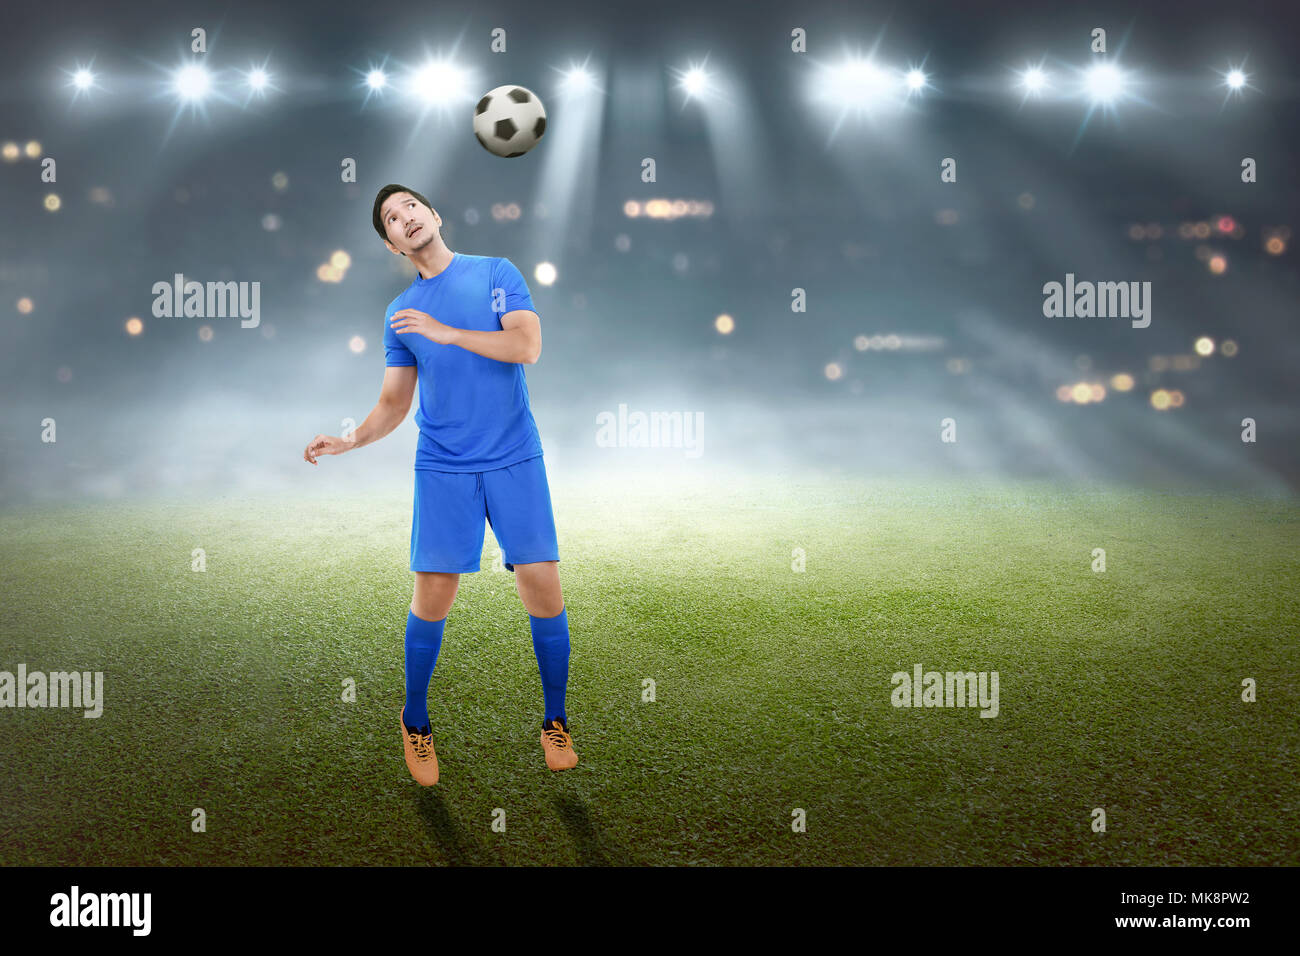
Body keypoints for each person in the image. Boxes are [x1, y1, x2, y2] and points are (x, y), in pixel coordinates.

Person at [303, 184, 577, 785]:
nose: (405, 219)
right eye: (392, 219)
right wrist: (349, 438)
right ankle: (416, 720)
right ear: (391, 243)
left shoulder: (495, 273)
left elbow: (527, 345)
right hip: (445, 465)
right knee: (435, 595)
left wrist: (450, 332)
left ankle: (555, 720)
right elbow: (393, 404)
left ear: (434, 215)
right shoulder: (402, 314)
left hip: (514, 457)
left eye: (411, 208)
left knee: (542, 583)